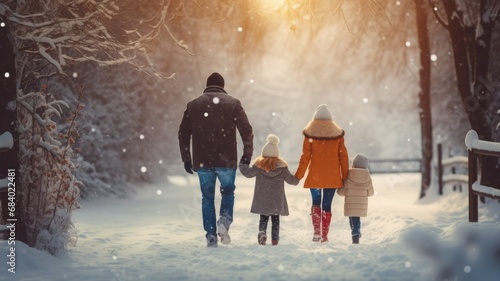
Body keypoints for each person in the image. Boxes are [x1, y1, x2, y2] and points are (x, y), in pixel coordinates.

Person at [178, 72, 253, 248]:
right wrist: (247, 154)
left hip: (203, 160)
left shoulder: (193, 105)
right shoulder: (233, 104)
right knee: (227, 192)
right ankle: (224, 222)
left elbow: (183, 134)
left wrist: (186, 158)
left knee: (207, 198)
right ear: (222, 86)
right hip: (226, 160)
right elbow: (246, 130)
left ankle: (211, 235)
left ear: (207, 85)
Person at [295, 104, 349, 242]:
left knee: (315, 203)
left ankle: (316, 233)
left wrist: (298, 175)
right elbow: (343, 157)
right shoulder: (337, 134)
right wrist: (345, 176)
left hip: (315, 177)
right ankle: (324, 235)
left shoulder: (310, 133)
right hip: (333, 176)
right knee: (327, 205)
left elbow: (305, 157)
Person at [239, 134, 299, 246]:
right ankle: (275, 239)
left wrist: (242, 164)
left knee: (264, 217)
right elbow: (293, 181)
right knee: (275, 219)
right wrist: (299, 175)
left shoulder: (259, 166)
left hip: (263, 198)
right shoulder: (282, 168)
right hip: (276, 199)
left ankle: (262, 232)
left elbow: (247, 173)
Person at [337, 153, 374, 244]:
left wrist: (338, 189)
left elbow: (342, 192)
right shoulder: (368, 176)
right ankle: (356, 233)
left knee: (352, 219)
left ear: (353, 164)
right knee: (356, 219)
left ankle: (355, 234)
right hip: (361, 203)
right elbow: (371, 192)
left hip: (350, 202)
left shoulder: (348, 175)